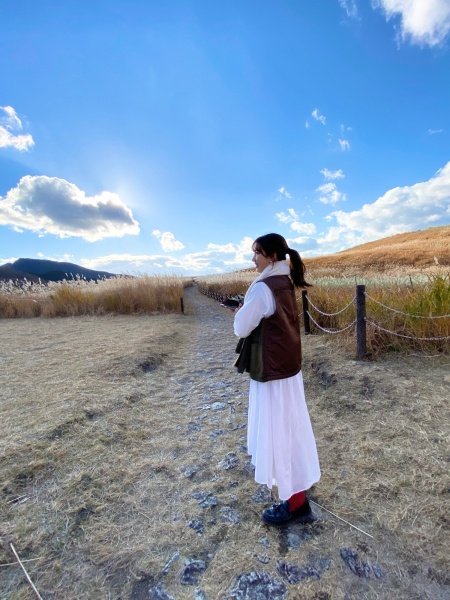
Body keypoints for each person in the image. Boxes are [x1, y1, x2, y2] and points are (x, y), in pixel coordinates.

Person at [233, 233, 320, 525]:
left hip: (272, 375)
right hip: (287, 371)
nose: (253, 259)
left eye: (256, 253)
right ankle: (298, 490)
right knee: (290, 431)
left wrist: (240, 311)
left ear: (271, 256)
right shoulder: (284, 281)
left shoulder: (263, 288)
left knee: (279, 435)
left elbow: (241, 328)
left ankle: (296, 504)